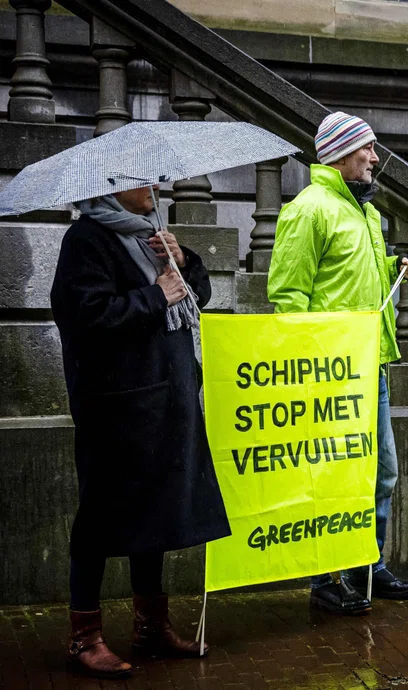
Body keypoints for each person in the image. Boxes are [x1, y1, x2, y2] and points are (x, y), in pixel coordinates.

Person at [50, 186, 231, 679]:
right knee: (100, 518)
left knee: (153, 513)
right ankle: (83, 637)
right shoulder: (86, 240)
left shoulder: (149, 237)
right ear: (112, 189)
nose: (157, 189)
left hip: (164, 400)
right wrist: (156, 294)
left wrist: (184, 260)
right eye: (142, 181)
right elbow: (85, 318)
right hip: (115, 408)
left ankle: (151, 626)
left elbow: (198, 297)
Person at [267, 111, 408, 615]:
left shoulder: (367, 212)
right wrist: (312, 364)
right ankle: (324, 581)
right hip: (329, 373)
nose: (376, 158)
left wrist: (394, 267)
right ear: (339, 153)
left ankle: (365, 565)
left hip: (368, 365)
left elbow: (356, 281)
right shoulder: (309, 209)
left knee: (381, 474)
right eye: (368, 149)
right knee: (329, 476)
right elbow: (288, 296)